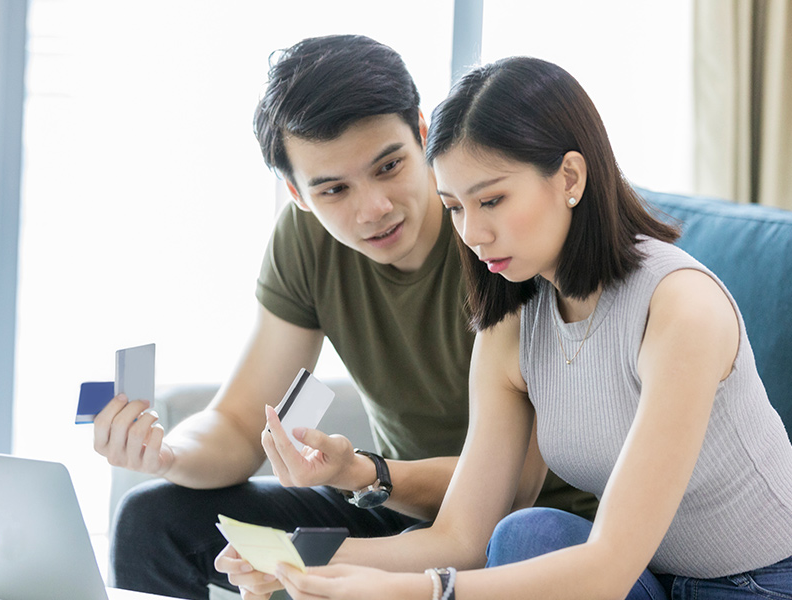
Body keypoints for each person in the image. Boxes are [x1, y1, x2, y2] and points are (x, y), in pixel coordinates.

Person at [228, 56, 792, 600]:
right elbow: (461, 540)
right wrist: (289, 557)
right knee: (525, 535)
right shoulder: (514, 319)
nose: (472, 233)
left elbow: (606, 569)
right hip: (652, 577)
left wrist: (419, 591)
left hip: (757, 582)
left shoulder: (680, 308)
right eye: (453, 207)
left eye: (492, 200)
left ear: (569, 176)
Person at [93, 39, 596, 599]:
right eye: (333, 189)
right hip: (397, 509)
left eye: (389, 166)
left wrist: (365, 475)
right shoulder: (306, 241)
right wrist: (168, 454)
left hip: (528, 528)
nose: (372, 208)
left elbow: (499, 500)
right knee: (154, 519)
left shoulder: (503, 243)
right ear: (297, 194)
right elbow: (239, 425)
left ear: (424, 136)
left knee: (507, 537)